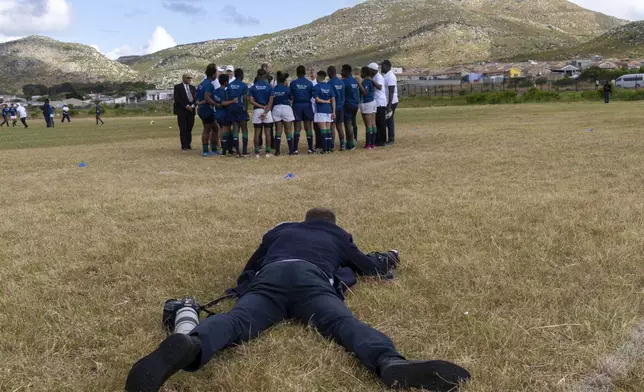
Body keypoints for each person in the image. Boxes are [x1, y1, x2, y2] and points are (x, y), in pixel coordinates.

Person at [125, 207, 471, 392]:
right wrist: (390, 258)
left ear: (303, 219)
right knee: (342, 324)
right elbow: (366, 267)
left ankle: (191, 343)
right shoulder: (337, 234)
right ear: (334, 224)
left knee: (236, 322)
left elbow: (249, 269)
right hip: (311, 280)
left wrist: (245, 289)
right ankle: (389, 363)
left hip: (272, 277)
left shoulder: (280, 231)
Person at [196, 63, 221, 157]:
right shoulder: (209, 85)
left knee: (215, 128)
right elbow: (207, 98)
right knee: (207, 129)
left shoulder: (201, 84)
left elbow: (198, 97)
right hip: (207, 109)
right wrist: (216, 104)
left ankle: (214, 149)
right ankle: (205, 151)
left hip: (202, 109)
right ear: (213, 74)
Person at [249, 69, 275, 158]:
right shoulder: (269, 87)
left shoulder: (253, 87)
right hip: (267, 110)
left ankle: (256, 152)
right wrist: (265, 110)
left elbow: (251, 101)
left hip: (257, 110)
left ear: (257, 75)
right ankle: (267, 152)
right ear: (265, 76)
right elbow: (271, 101)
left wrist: (260, 106)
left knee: (257, 132)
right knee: (268, 132)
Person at [290, 65, 315, 154]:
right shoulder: (309, 83)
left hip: (297, 105)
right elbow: (312, 94)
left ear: (297, 73)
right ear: (304, 73)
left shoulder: (293, 83)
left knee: (297, 127)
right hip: (307, 105)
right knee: (308, 126)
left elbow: (291, 96)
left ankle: (295, 149)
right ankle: (310, 149)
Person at [271, 71, 296, 155]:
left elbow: (271, 100)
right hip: (286, 108)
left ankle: (277, 151)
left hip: (276, 108)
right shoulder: (287, 89)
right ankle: (291, 151)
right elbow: (292, 98)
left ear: (277, 81)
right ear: (284, 81)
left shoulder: (274, 89)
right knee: (288, 131)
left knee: (278, 131)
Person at [213, 74, 239, 155]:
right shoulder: (226, 92)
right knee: (226, 130)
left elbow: (218, 102)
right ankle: (225, 150)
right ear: (226, 82)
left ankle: (227, 147)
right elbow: (223, 103)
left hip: (217, 114)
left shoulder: (215, 91)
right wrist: (233, 101)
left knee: (223, 129)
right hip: (224, 114)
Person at [228, 68, 250, 157]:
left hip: (232, 108)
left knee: (235, 129)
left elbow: (227, 97)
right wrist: (246, 108)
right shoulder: (244, 85)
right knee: (244, 129)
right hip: (241, 108)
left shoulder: (230, 85)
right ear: (242, 75)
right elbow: (245, 98)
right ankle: (244, 150)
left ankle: (237, 151)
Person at [313, 70, 336, 153]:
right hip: (329, 110)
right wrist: (334, 111)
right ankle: (329, 148)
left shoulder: (316, 87)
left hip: (321, 110)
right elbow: (333, 99)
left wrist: (325, 101)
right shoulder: (329, 86)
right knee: (328, 129)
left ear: (318, 77)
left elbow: (317, 99)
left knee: (323, 130)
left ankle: (325, 149)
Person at [173, 74, 197, 151]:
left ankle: (188, 144)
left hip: (191, 111)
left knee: (189, 128)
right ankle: (184, 145)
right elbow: (177, 99)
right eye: (188, 78)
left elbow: (195, 98)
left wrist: (193, 106)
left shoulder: (193, 88)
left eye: (190, 78)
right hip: (182, 111)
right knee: (183, 128)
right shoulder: (178, 87)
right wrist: (186, 106)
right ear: (183, 78)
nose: (189, 79)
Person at [358, 66, 377, 149]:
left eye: (361, 72)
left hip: (367, 102)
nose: (360, 74)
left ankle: (368, 144)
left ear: (364, 73)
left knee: (369, 124)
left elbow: (365, 92)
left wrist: (359, 83)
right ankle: (373, 143)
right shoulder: (370, 80)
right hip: (373, 101)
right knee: (373, 123)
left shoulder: (365, 81)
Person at [368, 63, 387, 147]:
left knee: (381, 123)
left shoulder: (378, 77)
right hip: (377, 102)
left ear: (373, 70)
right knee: (377, 122)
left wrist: (371, 80)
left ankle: (382, 141)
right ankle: (378, 139)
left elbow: (379, 87)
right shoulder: (375, 76)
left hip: (380, 103)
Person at [328, 66, 346, 151]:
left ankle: (332, 145)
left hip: (332, 107)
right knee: (340, 126)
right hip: (341, 107)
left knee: (332, 126)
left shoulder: (329, 83)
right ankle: (342, 145)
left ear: (329, 73)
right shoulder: (342, 82)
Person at [381, 60, 399, 145]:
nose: (381, 67)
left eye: (382, 66)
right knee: (387, 120)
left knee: (389, 120)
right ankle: (388, 138)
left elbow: (391, 91)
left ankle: (391, 139)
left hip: (391, 101)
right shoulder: (386, 76)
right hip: (388, 101)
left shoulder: (390, 76)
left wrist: (389, 105)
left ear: (387, 66)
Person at [342, 64, 359, 150]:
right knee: (353, 123)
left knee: (348, 124)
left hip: (348, 104)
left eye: (342, 70)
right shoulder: (354, 80)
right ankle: (353, 140)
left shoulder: (345, 82)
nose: (341, 72)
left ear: (346, 71)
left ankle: (350, 144)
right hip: (355, 104)